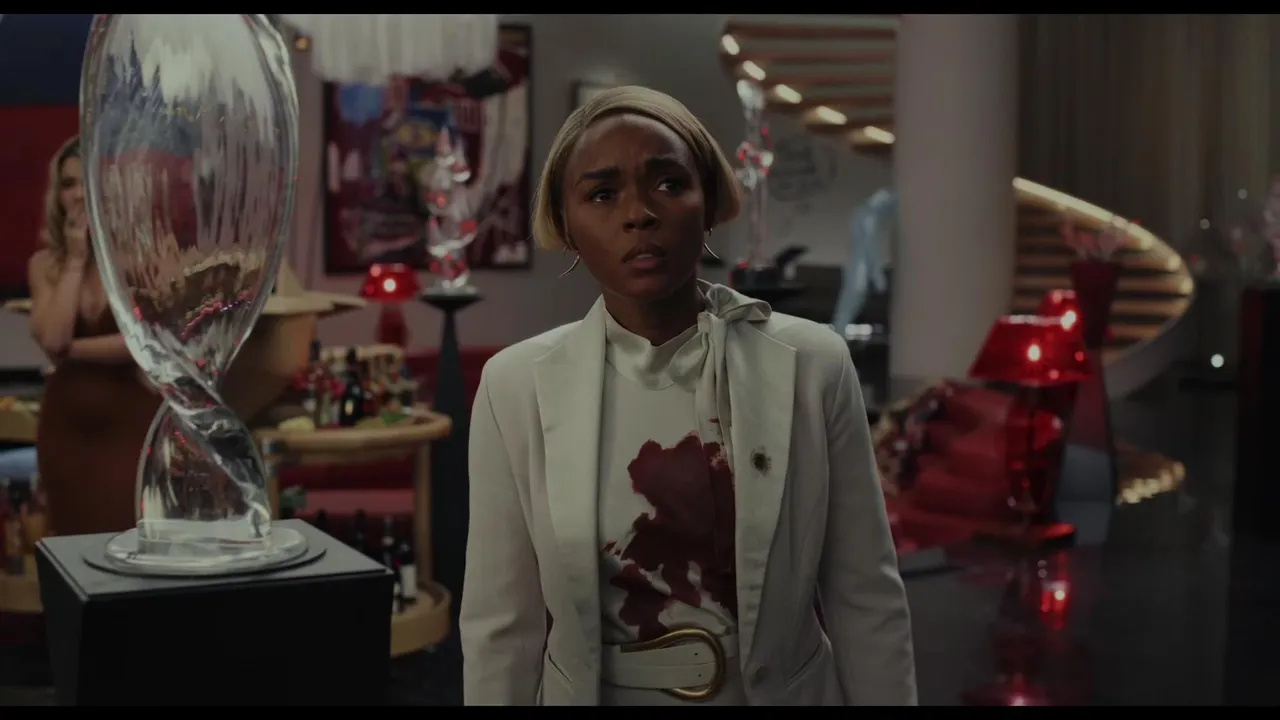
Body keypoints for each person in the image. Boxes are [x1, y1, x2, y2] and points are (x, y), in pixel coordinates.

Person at [460, 86, 916, 706]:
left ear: (708, 204)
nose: (639, 213)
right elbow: (500, 630)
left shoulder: (814, 365)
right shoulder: (515, 387)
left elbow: (866, 597)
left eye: (669, 183)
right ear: (566, 226)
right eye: (602, 194)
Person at [26, 136, 161, 536]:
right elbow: (53, 338)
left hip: (130, 421)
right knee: (72, 542)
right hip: (66, 427)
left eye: (88, 181)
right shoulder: (44, 265)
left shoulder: (145, 258)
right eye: (69, 184)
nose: (80, 195)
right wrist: (76, 259)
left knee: (130, 533)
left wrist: (72, 351)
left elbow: (143, 343)